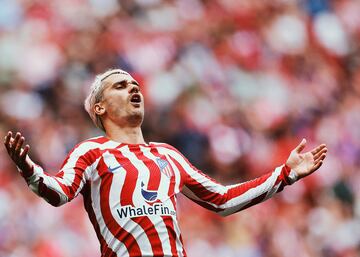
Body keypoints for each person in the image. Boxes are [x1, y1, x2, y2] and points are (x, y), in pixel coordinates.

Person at [3, 69, 327, 257]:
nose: (133, 88)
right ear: (99, 108)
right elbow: (59, 193)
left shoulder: (168, 155)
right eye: (120, 85)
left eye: (136, 85)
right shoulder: (91, 151)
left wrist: (286, 174)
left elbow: (223, 200)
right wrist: (28, 168)